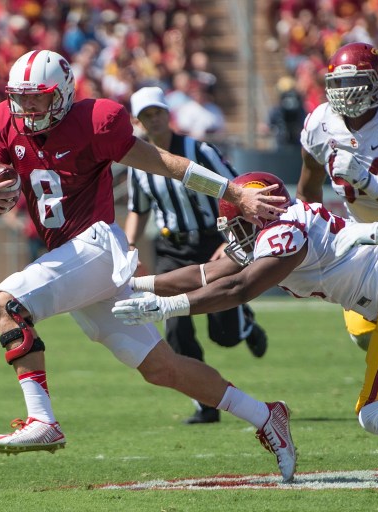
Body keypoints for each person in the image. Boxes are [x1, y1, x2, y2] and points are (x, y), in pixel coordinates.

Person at [0, 49, 295, 482]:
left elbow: (170, 165)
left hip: (95, 246)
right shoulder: (4, 121)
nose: (26, 108)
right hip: (71, 258)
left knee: (6, 303)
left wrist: (234, 192)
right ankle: (267, 416)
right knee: (162, 368)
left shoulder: (95, 123)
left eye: (36, 98)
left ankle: (42, 420)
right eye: (19, 98)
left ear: (60, 96)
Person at [112, 171, 378, 443]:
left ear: (258, 214)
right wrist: (136, 284)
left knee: (376, 413)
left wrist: (166, 307)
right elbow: (204, 273)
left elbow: (240, 288)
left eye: (237, 223)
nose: (233, 235)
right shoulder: (280, 226)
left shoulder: (284, 232)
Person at [125, 86, 268, 425]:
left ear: (167, 113)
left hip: (211, 241)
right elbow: (138, 208)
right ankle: (206, 404)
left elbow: (239, 189)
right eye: (146, 115)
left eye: (158, 112)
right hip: (172, 248)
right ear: (138, 121)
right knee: (176, 330)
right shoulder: (137, 163)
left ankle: (245, 325)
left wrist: (230, 238)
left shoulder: (198, 150)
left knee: (225, 335)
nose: (154, 119)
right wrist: (129, 245)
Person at [296, 41, 378, 352]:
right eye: (340, 83)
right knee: (364, 335)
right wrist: (310, 235)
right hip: (364, 239)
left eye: (357, 82)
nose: (347, 91)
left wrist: (367, 181)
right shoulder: (320, 124)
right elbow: (308, 186)